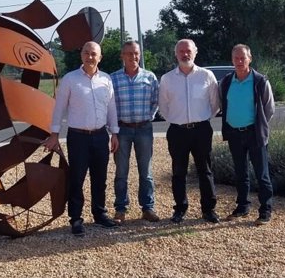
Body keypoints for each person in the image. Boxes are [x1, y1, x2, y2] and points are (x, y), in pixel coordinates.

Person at [43, 41, 120, 236]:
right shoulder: (70, 79)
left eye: (94, 53)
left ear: (99, 57)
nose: (90, 56)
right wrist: (54, 134)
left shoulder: (106, 80)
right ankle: (76, 219)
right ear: (81, 55)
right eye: (86, 52)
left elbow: (111, 108)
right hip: (78, 137)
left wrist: (115, 133)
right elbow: (59, 108)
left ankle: (100, 213)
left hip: (100, 135)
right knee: (77, 178)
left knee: (100, 178)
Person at [158, 39, 221, 224]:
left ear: (195, 52)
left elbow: (215, 104)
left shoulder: (207, 76)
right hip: (177, 131)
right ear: (176, 54)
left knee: (205, 170)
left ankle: (208, 210)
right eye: (181, 51)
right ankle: (180, 209)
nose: (185, 54)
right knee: (178, 172)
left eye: (188, 51)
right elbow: (163, 107)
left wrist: (201, 118)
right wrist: (178, 120)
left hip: (201, 129)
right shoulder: (167, 79)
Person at [218, 44, 275, 225]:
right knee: (240, 173)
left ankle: (265, 209)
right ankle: (243, 206)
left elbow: (269, 108)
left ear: (250, 59)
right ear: (232, 60)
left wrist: (259, 126)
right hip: (234, 133)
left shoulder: (260, 81)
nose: (239, 61)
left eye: (243, 58)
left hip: (255, 134)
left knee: (262, 174)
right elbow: (222, 104)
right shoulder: (226, 82)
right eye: (236, 58)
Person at [110, 40, 160, 223]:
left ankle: (148, 208)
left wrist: (148, 117)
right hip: (122, 129)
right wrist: (113, 130)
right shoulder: (113, 79)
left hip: (144, 129)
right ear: (122, 56)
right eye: (129, 53)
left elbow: (156, 100)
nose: (133, 57)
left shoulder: (150, 77)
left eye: (136, 53)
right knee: (121, 172)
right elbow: (110, 106)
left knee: (145, 171)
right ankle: (120, 209)